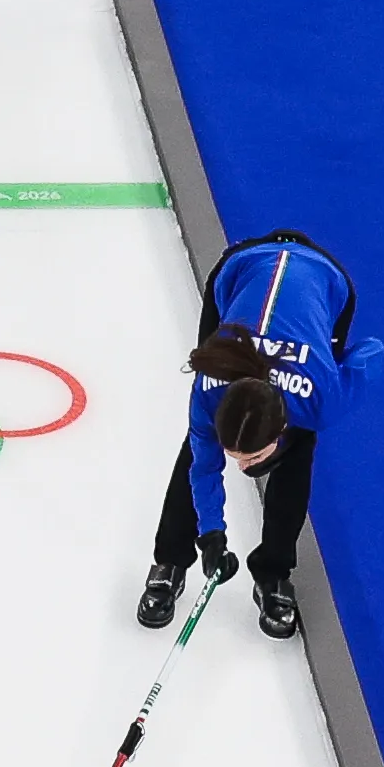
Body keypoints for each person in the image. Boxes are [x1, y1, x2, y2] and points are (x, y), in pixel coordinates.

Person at [142, 226, 357, 640]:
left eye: (250, 458)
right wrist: (211, 536)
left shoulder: (320, 398)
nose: (240, 468)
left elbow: (372, 352)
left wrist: (334, 363)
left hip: (325, 281)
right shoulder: (210, 385)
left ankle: (274, 572)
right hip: (242, 269)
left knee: (299, 454)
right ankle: (171, 559)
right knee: (196, 448)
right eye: (235, 454)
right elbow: (205, 467)